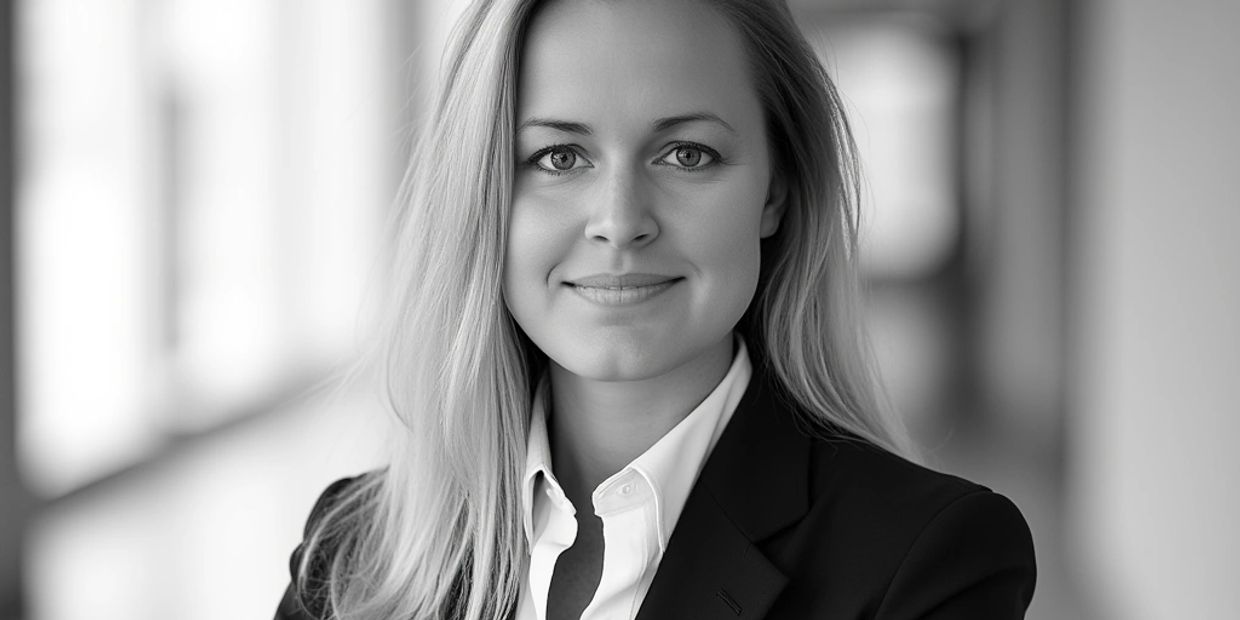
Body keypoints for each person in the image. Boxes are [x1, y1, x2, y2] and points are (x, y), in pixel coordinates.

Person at [275, 0, 1037, 618]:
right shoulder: (356, 547)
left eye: (687, 154)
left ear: (775, 191)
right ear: (484, 197)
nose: (619, 219)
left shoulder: (928, 561)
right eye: (558, 157)